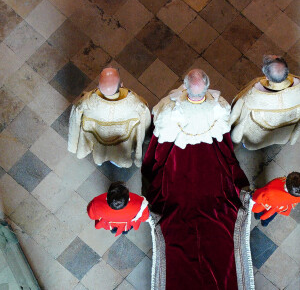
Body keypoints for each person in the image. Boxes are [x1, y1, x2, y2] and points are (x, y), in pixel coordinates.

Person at [142, 69, 253, 290]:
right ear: (206, 87)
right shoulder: (217, 105)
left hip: (177, 152)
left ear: (185, 86)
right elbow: (222, 131)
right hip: (209, 151)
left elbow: (161, 129)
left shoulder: (170, 108)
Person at [68, 67, 151, 167]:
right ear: (121, 85)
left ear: (98, 86)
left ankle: (99, 161)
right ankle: (118, 163)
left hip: (100, 143)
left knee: (100, 154)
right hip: (122, 145)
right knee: (119, 156)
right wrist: (146, 137)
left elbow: (74, 122)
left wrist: (73, 145)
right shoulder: (136, 104)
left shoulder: (86, 102)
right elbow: (145, 123)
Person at [230, 55, 300, 150]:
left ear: (267, 77)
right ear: (287, 72)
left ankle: (246, 145)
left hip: (260, 136)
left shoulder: (253, 97)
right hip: (284, 130)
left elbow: (238, 115)